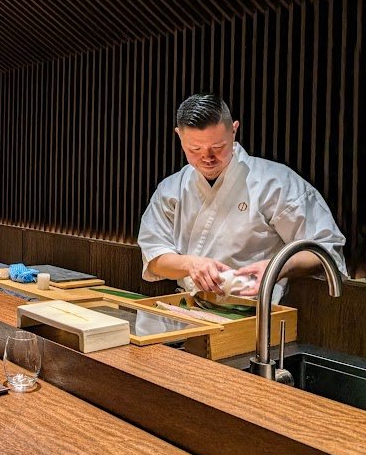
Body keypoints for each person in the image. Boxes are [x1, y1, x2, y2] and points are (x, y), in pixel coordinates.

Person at [138, 94, 347, 302]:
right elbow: (154, 256)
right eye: (195, 149)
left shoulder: (275, 183)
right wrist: (190, 264)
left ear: (234, 130)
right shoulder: (171, 189)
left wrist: (277, 266)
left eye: (218, 147)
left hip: (257, 310)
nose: (208, 157)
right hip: (189, 308)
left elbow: (325, 248)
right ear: (179, 136)